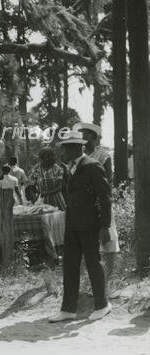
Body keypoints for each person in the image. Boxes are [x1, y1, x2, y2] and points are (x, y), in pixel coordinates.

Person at [49, 131, 112, 322]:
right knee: (69, 265)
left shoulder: (93, 166)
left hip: (91, 224)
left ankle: (102, 305)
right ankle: (68, 309)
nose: (62, 152)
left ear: (77, 148)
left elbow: (105, 198)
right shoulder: (70, 169)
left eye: (65, 148)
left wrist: (105, 226)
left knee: (94, 263)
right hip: (72, 224)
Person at [74, 122, 120, 293]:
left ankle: (108, 282)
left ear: (93, 137)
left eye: (84, 134)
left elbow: (108, 181)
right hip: (85, 207)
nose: (82, 138)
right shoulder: (80, 158)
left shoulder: (103, 155)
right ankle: (96, 283)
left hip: (100, 202)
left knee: (108, 241)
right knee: (90, 244)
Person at [0, 165, 21, 265]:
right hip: (11, 198)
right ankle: (9, 231)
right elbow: (17, 190)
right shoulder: (14, 179)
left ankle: (5, 232)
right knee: (10, 215)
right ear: (10, 170)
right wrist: (21, 200)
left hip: (3, 199)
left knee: (4, 216)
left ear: (2, 170)